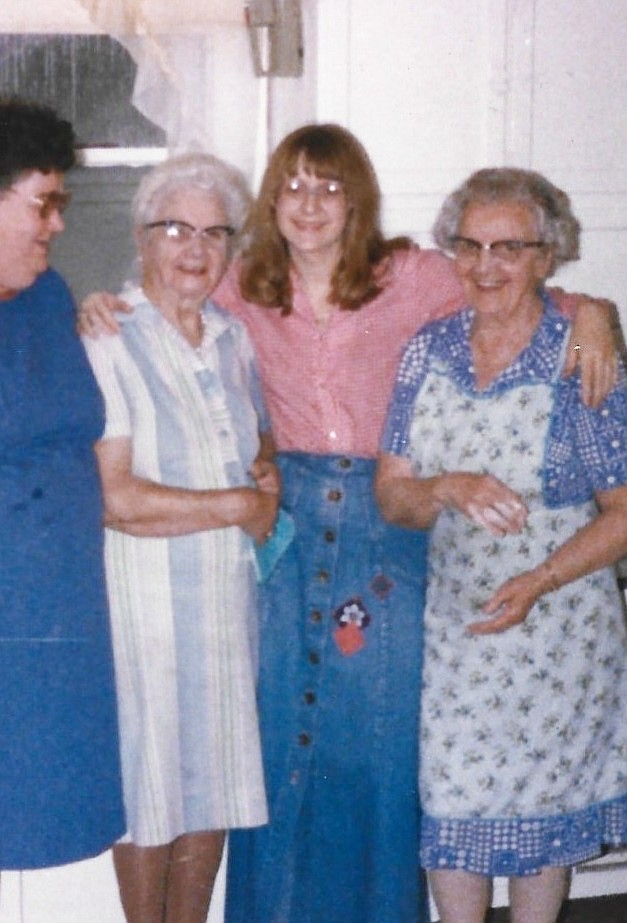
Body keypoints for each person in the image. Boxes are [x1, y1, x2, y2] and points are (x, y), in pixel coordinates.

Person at [79, 125, 617, 923]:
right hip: (285, 534)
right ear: (269, 202)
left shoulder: (410, 275)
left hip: (384, 528)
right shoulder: (243, 282)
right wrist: (102, 297)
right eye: (292, 186)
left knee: (374, 747)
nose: (309, 204)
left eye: (329, 186)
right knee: (277, 742)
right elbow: (166, 286)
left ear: (355, 198)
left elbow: (508, 274)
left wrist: (594, 310)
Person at [376, 166, 627, 923]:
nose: (485, 266)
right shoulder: (426, 351)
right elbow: (393, 493)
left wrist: (539, 580)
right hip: (456, 626)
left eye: (508, 248)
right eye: (470, 245)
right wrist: (444, 486)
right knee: (452, 815)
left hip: (558, 626)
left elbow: (621, 510)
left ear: (546, 256)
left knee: (541, 825)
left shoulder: (580, 358)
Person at [82, 153, 277, 923]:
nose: (194, 249)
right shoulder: (108, 337)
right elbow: (117, 498)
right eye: (175, 229)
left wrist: (264, 480)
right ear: (143, 237)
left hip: (226, 601)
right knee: (152, 784)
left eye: (213, 233)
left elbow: (260, 444)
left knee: (213, 779)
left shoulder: (234, 339)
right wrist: (236, 502)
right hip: (145, 608)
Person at [0, 98, 124, 870]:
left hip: (59, 614)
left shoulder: (48, 297)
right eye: (43, 205)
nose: (58, 224)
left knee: (37, 817)